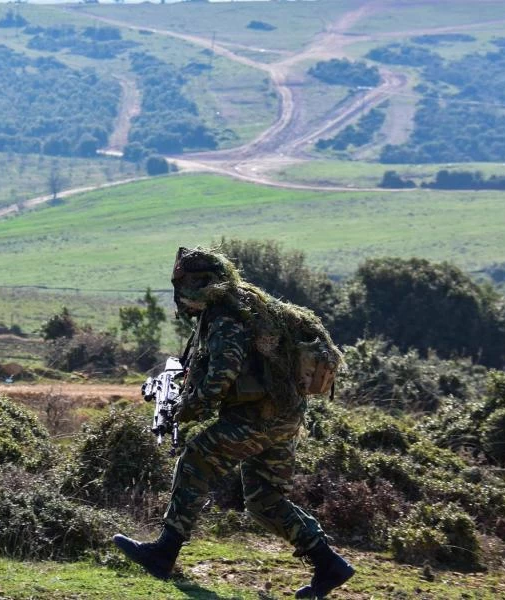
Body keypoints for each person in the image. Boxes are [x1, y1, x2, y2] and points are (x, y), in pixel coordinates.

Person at [113, 247, 354, 599]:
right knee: (264, 499)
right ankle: (329, 564)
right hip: (285, 415)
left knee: (197, 460)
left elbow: (223, 372)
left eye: (184, 286)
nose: (181, 296)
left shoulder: (226, 314)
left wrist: (189, 408)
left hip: (259, 417)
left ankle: (163, 553)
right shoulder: (247, 306)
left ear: (198, 283)